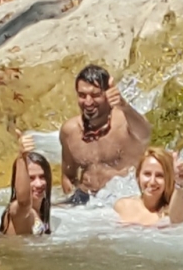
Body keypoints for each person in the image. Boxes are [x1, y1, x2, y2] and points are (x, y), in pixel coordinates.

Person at [59, 64, 152, 206]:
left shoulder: (125, 122)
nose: (88, 102)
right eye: (82, 95)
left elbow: (146, 134)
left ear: (108, 93)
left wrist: (124, 106)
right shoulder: (70, 131)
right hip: (85, 203)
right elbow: (68, 175)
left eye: (95, 95)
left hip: (122, 200)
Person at [113, 147, 183, 226]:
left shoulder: (174, 212)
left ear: (169, 179)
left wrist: (180, 183)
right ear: (138, 177)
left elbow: (178, 220)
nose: (152, 182)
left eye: (160, 175)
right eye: (147, 174)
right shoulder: (122, 206)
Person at [0, 129, 52, 235]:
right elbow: (23, 202)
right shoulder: (19, 211)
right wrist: (21, 157)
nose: (39, 184)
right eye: (31, 178)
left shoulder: (40, 213)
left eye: (42, 177)